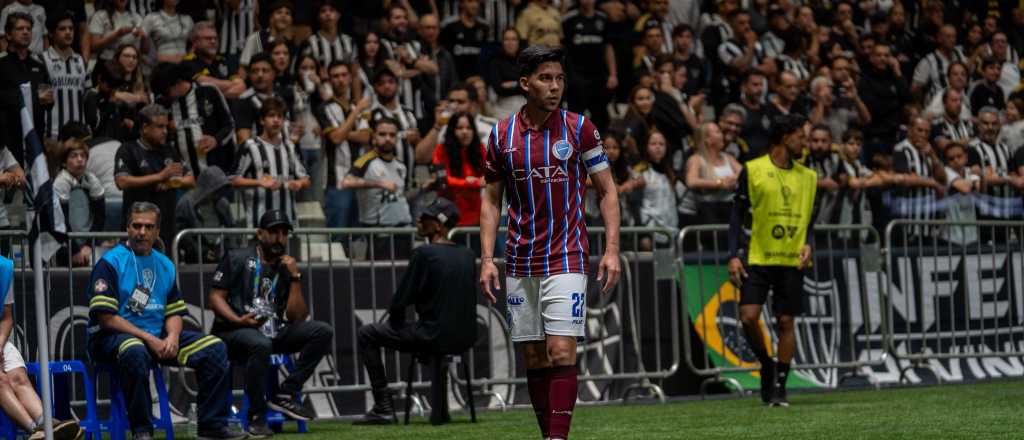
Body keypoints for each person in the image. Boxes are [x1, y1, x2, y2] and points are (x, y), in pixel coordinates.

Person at [478, 45, 621, 440]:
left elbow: (608, 191)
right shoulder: (501, 136)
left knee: (561, 350)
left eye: (559, 78)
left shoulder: (581, 129)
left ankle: (558, 438)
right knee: (534, 356)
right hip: (521, 258)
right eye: (545, 78)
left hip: (567, 254)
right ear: (525, 83)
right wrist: (488, 258)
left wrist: (611, 249)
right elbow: (490, 201)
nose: (554, 86)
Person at [86, 203, 242, 440]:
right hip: (110, 338)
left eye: (149, 227)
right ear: (127, 228)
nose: (142, 232)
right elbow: (106, 318)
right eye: (136, 226)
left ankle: (211, 425)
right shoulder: (110, 262)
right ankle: (142, 431)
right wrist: (150, 339)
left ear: (157, 232)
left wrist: (173, 337)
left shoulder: (165, 264)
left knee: (215, 348)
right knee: (135, 350)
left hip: (156, 336)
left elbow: (174, 312)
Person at [208, 210, 332, 436]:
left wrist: (295, 278)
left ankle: (286, 393)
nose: (279, 238)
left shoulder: (286, 269)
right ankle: (257, 416)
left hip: (270, 332)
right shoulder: (236, 257)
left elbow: (297, 317)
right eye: (274, 232)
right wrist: (237, 320)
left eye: (284, 233)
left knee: (322, 331)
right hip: (233, 332)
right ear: (260, 233)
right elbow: (215, 298)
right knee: (259, 344)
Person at [353, 197, 476, 425]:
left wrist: (397, 326)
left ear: (438, 225)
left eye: (425, 218)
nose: (419, 220)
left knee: (367, 334)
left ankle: (383, 406)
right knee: (433, 336)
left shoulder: (425, 254)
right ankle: (439, 411)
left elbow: (400, 301)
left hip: (431, 334)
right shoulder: (468, 255)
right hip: (465, 336)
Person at [728, 113, 817, 407]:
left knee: (786, 321)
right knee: (748, 316)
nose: (805, 142)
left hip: (791, 258)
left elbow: (810, 219)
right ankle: (767, 363)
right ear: (785, 137)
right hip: (757, 256)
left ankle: (780, 384)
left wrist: (809, 243)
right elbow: (736, 215)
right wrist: (732, 255)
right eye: (801, 136)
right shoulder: (753, 170)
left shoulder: (809, 176)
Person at [0, 252, 83, 440]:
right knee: (1, 380)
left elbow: (6, 318)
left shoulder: (3, 268)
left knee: (19, 378)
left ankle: (47, 423)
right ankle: (38, 432)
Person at [114, 104, 193, 249]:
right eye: (159, 127)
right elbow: (122, 181)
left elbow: (190, 179)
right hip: (138, 230)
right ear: (144, 128)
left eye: (166, 127)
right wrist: (160, 176)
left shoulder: (170, 151)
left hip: (166, 230)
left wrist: (171, 183)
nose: (165, 131)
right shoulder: (128, 150)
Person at [232, 96, 310, 229]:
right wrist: (259, 182)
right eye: (271, 116)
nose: (276, 120)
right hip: (259, 224)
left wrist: (298, 183)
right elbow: (233, 180)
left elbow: (306, 179)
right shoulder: (250, 146)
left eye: (280, 116)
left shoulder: (290, 146)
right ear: (262, 120)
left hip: (288, 223)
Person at [150, 62, 235, 174]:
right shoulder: (162, 103)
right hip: (182, 177)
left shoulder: (209, 91)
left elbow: (229, 125)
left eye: (165, 92)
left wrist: (215, 140)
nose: (164, 96)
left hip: (216, 171)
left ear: (178, 82)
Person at [316, 61, 371, 229]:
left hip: (360, 179)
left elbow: (366, 137)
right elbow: (336, 139)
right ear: (330, 80)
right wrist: (356, 112)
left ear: (349, 78)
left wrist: (342, 131)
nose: (340, 80)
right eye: (335, 76)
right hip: (336, 182)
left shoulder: (357, 106)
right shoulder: (324, 107)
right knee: (337, 236)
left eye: (343, 75)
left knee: (357, 236)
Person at [0, 12, 53, 165]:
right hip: (9, 142)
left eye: (28, 29)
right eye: (20, 29)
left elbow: (47, 104)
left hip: (35, 141)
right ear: (9, 35)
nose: (25, 32)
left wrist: (49, 100)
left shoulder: (39, 66)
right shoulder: (1, 64)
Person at [47, 136, 106, 266]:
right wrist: (74, 250)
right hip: (64, 243)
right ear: (64, 162)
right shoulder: (60, 183)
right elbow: (60, 222)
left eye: (83, 156)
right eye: (74, 156)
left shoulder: (92, 180)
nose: (80, 160)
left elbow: (100, 218)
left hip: (87, 244)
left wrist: (89, 245)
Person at [343, 117, 412, 228]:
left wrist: (424, 188)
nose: (388, 139)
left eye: (392, 135)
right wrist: (379, 184)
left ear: (397, 139)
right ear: (374, 137)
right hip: (376, 228)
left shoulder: (400, 165)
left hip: (401, 225)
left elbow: (400, 195)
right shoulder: (366, 160)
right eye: (382, 134)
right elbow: (346, 182)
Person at [562, 0, 616, 133]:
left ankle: (601, 149)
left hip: (599, 76)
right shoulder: (569, 18)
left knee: (601, 118)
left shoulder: (602, 18)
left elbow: (608, 48)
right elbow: (562, 48)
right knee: (574, 119)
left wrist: (613, 74)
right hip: (576, 76)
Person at [892, 116, 948, 241]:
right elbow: (905, 179)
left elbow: (942, 178)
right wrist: (933, 183)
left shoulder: (929, 150)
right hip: (909, 219)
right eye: (920, 130)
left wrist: (933, 156)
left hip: (929, 220)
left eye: (927, 131)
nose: (923, 134)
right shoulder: (901, 149)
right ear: (910, 130)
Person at [431, 112, 485, 226]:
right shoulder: (441, 150)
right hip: (449, 213)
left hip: (476, 214)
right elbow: (443, 180)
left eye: (469, 128)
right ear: (452, 130)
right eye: (459, 128)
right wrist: (470, 182)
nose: (465, 132)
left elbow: (492, 175)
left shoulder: (480, 149)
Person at [41, 11, 88, 141]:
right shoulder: (42, 61)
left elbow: (88, 97)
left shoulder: (81, 61)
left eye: (71, 29)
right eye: (62, 29)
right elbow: (39, 100)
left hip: (80, 135)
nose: (68, 32)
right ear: (51, 33)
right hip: (52, 136)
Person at [684, 121, 741, 227]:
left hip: (730, 207)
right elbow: (691, 181)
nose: (722, 135)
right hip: (709, 210)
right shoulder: (697, 159)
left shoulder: (728, 158)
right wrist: (720, 183)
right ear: (707, 140)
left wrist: (734, 179)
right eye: (717, 132)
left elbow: (745, 174)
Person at [635, 130, 682, 250]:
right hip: (649, 229)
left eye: (662, 144)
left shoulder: (670, 172)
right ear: (646, 147)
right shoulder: (640, 171)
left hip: (670, 228)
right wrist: (642, 232)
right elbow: (635, 204)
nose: (658, 147)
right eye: (653, 144)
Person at [183, 21, 246, 99]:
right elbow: (204, 83)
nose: (213, 41)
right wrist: (232, 85)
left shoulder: (223, 61)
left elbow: (241, 86)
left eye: (215, 38)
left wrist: (216, 96)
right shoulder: (188, 62)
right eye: (208, 38)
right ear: (195, 42)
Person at [912, 24, 966, 104]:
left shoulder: (959, 55)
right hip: (937, 108)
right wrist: (919, 107)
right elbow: (915, 88)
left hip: (960, 104)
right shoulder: (928, 61)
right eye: (948, 36)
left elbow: (967, 72)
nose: (952, 40)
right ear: (939, 39)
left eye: (954, 37)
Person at [238, 1, 292, 80]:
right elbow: (243, 68)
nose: (283, 16)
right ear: (271, 17)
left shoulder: (289, 43)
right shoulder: (256, 38)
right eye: (279, 12)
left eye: (287, 13)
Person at [439, 0, 489, 81]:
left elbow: (485, 58)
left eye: (476, 2)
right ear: (461, 3)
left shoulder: (484, 28)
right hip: (455, 81)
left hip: (478, 80)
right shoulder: (449, 27)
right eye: (470, 1)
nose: (474, 5)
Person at [487, 28, 525, 117]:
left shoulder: (525, 62)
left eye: (513, 39)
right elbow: (498, 89)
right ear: (502, 42)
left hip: (524, 104)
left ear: (518, 42)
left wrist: (511, 84)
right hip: (502, 107)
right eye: (506, 39)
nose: (510, 43)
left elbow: (530, 87)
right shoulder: (495, 62)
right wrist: (519, 83)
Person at [141, 0, 193, 65]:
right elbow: (143, 50)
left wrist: (190, 59)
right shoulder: (151, 18)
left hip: (184, 65)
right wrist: (152, 64)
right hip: (163, 65)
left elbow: (194, 43)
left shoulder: (187, 19)